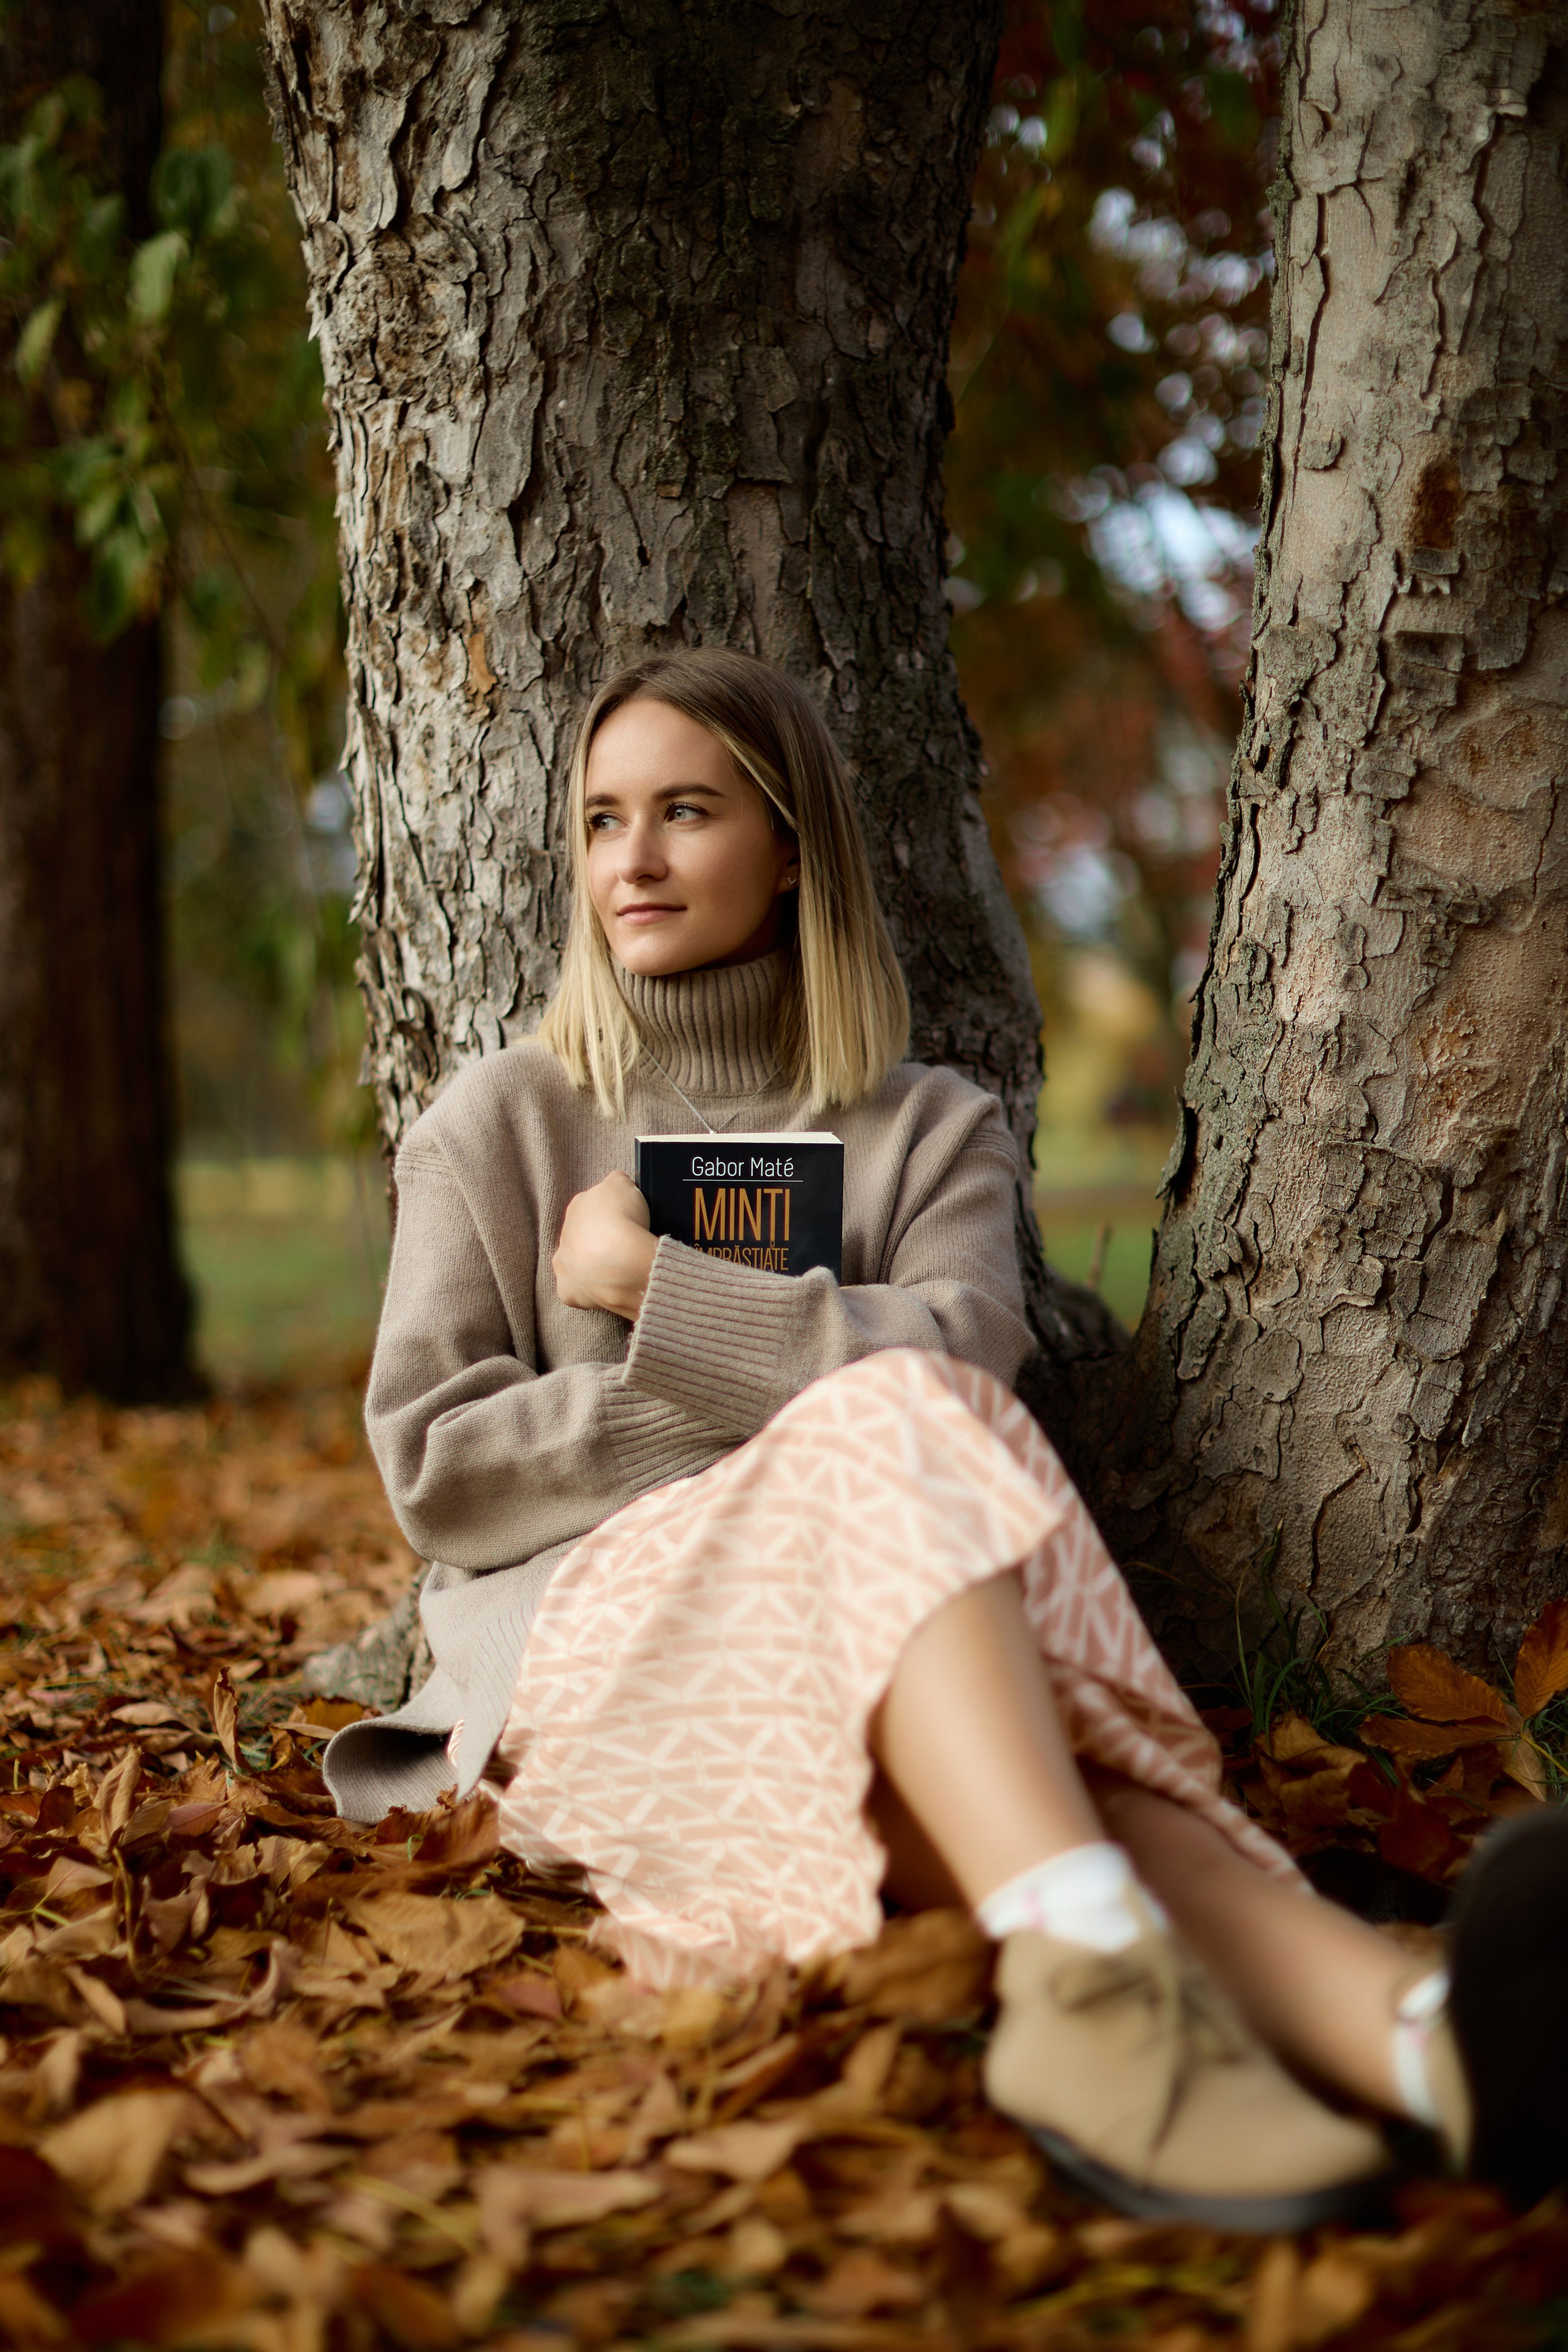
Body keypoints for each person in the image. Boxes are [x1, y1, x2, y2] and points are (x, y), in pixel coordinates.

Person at [323, 647, 1568, 2229]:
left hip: (877, 1627)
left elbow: (970, 1352)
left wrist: (658, 1295)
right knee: (893, 1426)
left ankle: (1416, 2052)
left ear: (788, 853)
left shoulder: (928, 1130)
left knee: (1036, 1760)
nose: (631, 859)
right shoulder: (497, 1124)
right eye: (602, 820)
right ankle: (1235, 2014)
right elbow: (433, 1461)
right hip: (590, 1650)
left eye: (686, 812)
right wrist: (770, 1414)